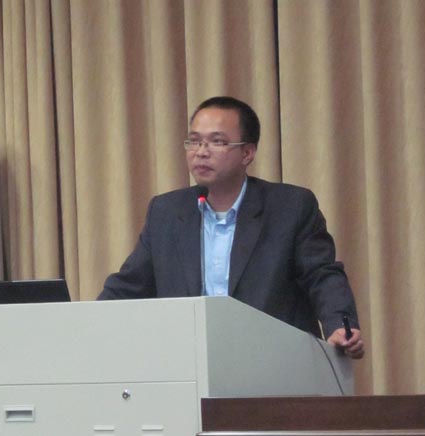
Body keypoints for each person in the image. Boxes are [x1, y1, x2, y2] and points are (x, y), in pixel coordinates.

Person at [98, 96, 364, 359]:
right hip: (190, 362)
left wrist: (340, 324)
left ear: (247, 153)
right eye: (194, 141)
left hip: (272, 362)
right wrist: (84, 324)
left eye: (217, 142)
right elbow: (129, 286)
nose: (201, 152)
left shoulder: (290, 208)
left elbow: (321, 275)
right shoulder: (166, 212)